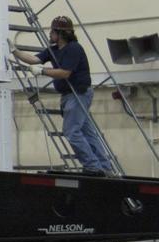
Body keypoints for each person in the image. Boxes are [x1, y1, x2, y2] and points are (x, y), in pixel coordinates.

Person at [11, 16, 113, 175]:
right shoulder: (53, 50)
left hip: (77, 94)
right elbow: (34, 59)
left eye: (53, 31)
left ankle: (93, 166)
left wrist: (43, 71)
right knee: (87, 132)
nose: (50, 34)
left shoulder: (74, 48)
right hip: (70, 95)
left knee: (71, 132)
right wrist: (14, 51)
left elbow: (65, 73)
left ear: (61, 34)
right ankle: (104, 167)